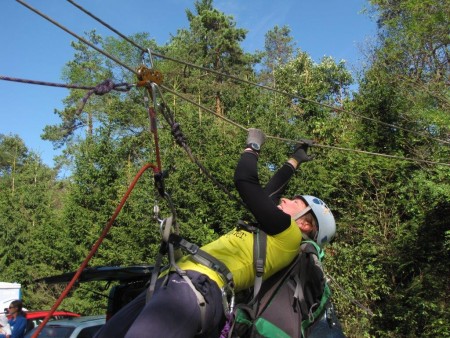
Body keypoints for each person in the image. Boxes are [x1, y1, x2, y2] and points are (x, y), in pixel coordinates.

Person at [95, 128, 336, 338]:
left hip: (197, 288)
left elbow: (245, 180)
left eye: (295, 201)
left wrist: (253, 146)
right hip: (175, 280)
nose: (285, 198)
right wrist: (294, 160)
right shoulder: (272, 231)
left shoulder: (289, 237)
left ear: (305, 225)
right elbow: (272, 191)